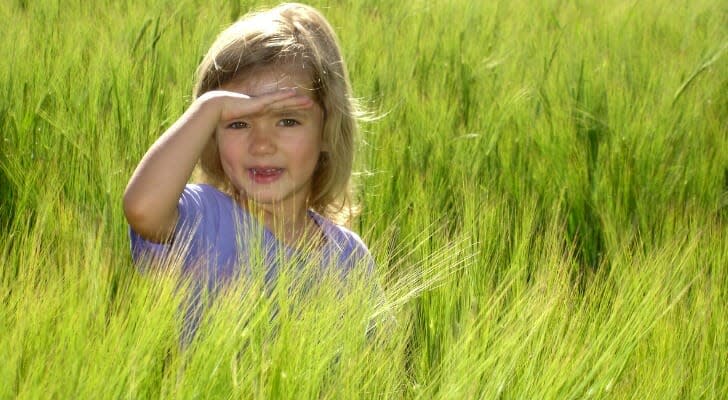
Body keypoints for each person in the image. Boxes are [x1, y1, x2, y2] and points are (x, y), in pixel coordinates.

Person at [123, 3, 378, 339]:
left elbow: (375, 358)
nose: (261, 144)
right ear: (210, 134)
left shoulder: (350, 257)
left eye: (288, 120)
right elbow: (142, 208)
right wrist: (210, 107)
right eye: (238, 122)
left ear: (328, 132)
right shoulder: (203, 219)